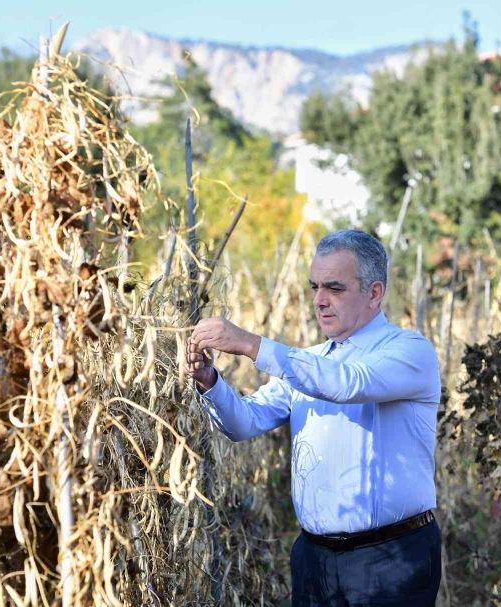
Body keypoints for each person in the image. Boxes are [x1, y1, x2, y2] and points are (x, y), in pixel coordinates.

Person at [185, 229, 442, 606]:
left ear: (374, 292)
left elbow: (348, 384)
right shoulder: (310, 362)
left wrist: (250, 344)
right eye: (314, 287)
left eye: (334, 288)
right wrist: (210, 382)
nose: (320, 301)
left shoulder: (409, 351)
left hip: (391, 558)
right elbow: (244, 422)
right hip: (315, 559)